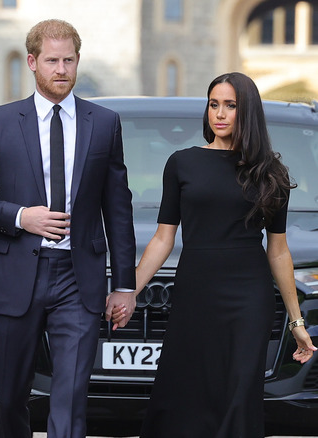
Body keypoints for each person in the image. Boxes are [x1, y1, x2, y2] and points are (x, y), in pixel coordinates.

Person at [0, 19, 136, 438]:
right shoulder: (0, 121)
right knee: (11, 395)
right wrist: (21, 217)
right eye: (52, 60)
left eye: (69, 60)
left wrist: (124, 283)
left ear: (77, 61)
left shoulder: (104, 123)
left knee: (70, 398)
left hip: (79, 278)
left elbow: (118, 207)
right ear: (33, 62)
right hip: (17, 272)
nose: (61, 69)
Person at [112, 72, 316, 437]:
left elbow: (279, 251)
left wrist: (297, 322)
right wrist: (129, 290)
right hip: (196, 292)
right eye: (214, 104)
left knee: (239, 392)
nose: (219, 113)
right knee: (185, 390)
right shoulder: (182, 163)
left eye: (230, 105)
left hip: (248, 298)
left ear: (247, 111)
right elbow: (162, 239)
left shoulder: (271, 174)